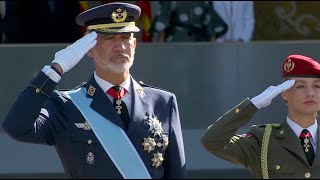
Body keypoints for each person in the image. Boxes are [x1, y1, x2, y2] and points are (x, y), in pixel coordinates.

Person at [2, 2, 186, 179]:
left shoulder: (163, 102)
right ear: (88, 48)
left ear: (134, 44)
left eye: (125, 37)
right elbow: (16, 127)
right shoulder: (66, 105)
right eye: (108, 38)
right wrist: (55, 70)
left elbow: (176, 172)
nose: (120, 47)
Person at [201, 54, 320, 178]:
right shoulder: (263, 140)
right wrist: (252, 105)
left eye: (317, 86)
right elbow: (212, 141)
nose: (310, 93)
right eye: (300, 86)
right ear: (284, 93)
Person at [150, 1, 228, 42]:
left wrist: (213, 54)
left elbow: (211, 28)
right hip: (175, 44)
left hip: (200, 45)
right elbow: (162, 27)